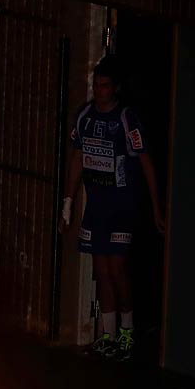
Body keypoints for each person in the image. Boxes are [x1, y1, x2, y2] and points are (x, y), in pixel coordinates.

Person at [63, 55, 164, 360]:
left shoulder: (126, 119)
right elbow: (77, 158)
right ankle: (107, 334)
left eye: (105, 86)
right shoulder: (85, 116)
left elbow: (146, 162)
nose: (99, 91)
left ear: (115, 88)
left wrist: (157, 207)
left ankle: (127, 333)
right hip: (96, 207)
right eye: (96, 85)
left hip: (122, 206)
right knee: (101, 269)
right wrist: (67, 204)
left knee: (118, 269)